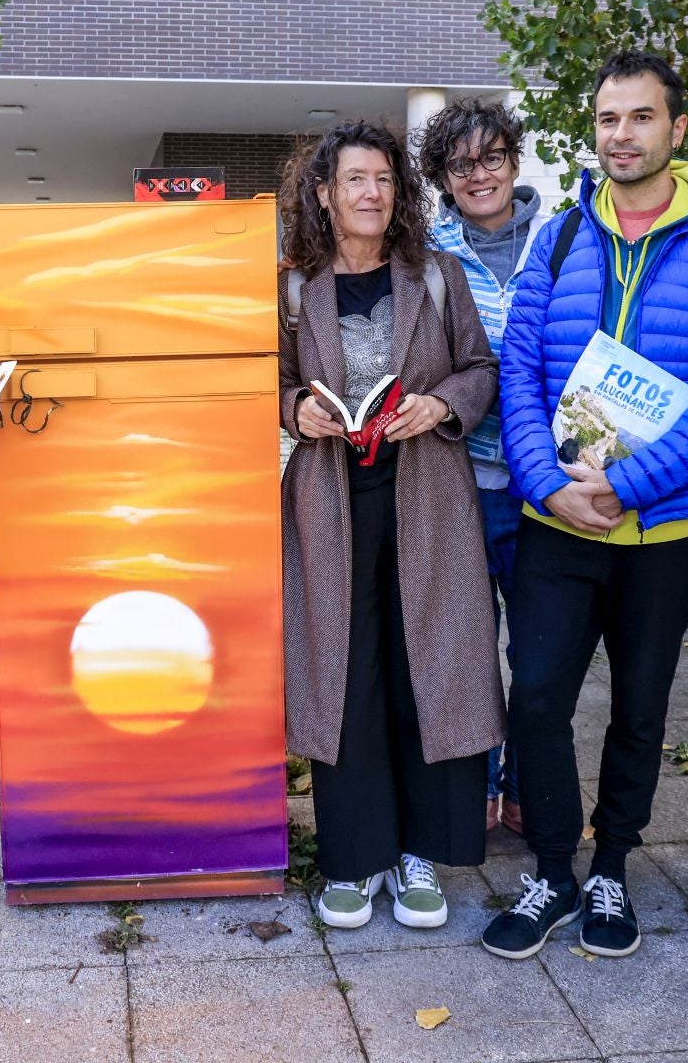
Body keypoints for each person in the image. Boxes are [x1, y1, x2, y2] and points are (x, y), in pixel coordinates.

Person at [483, 51, 688, 961]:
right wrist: (551, 484)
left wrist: (630, 484)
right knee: (535, 700)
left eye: (640, 118)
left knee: (641, 707)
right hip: (556, 520)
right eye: (609, 120)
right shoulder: (561, 238)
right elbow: (517, 375)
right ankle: (554, 872)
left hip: (667, 528)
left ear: (676, 130)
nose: (622, 135)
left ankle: (611, 867)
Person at [278, 120, 502, 932]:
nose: (371, 193)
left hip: (427, 499)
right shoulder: (295, 288)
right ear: (325, 195)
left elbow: (481, 369)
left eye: (383, 180)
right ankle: (352, 855)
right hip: (329, 504)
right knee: (346, 673)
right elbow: (266, 382)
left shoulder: (437, 277)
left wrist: (443, 404)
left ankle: (418, 855)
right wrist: (296, 408)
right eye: (354, 180)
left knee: (427, 669)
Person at [420, 96, 558, 836]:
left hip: (548, 484)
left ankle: (529, 790)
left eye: (491, 158)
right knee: (466, 650)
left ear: (513, 159)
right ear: (444, 177)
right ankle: (471, 789)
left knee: (539, 656)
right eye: (461, 164)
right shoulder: (427, 255)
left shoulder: (565, 240)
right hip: (463, 479)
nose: (479, 175)